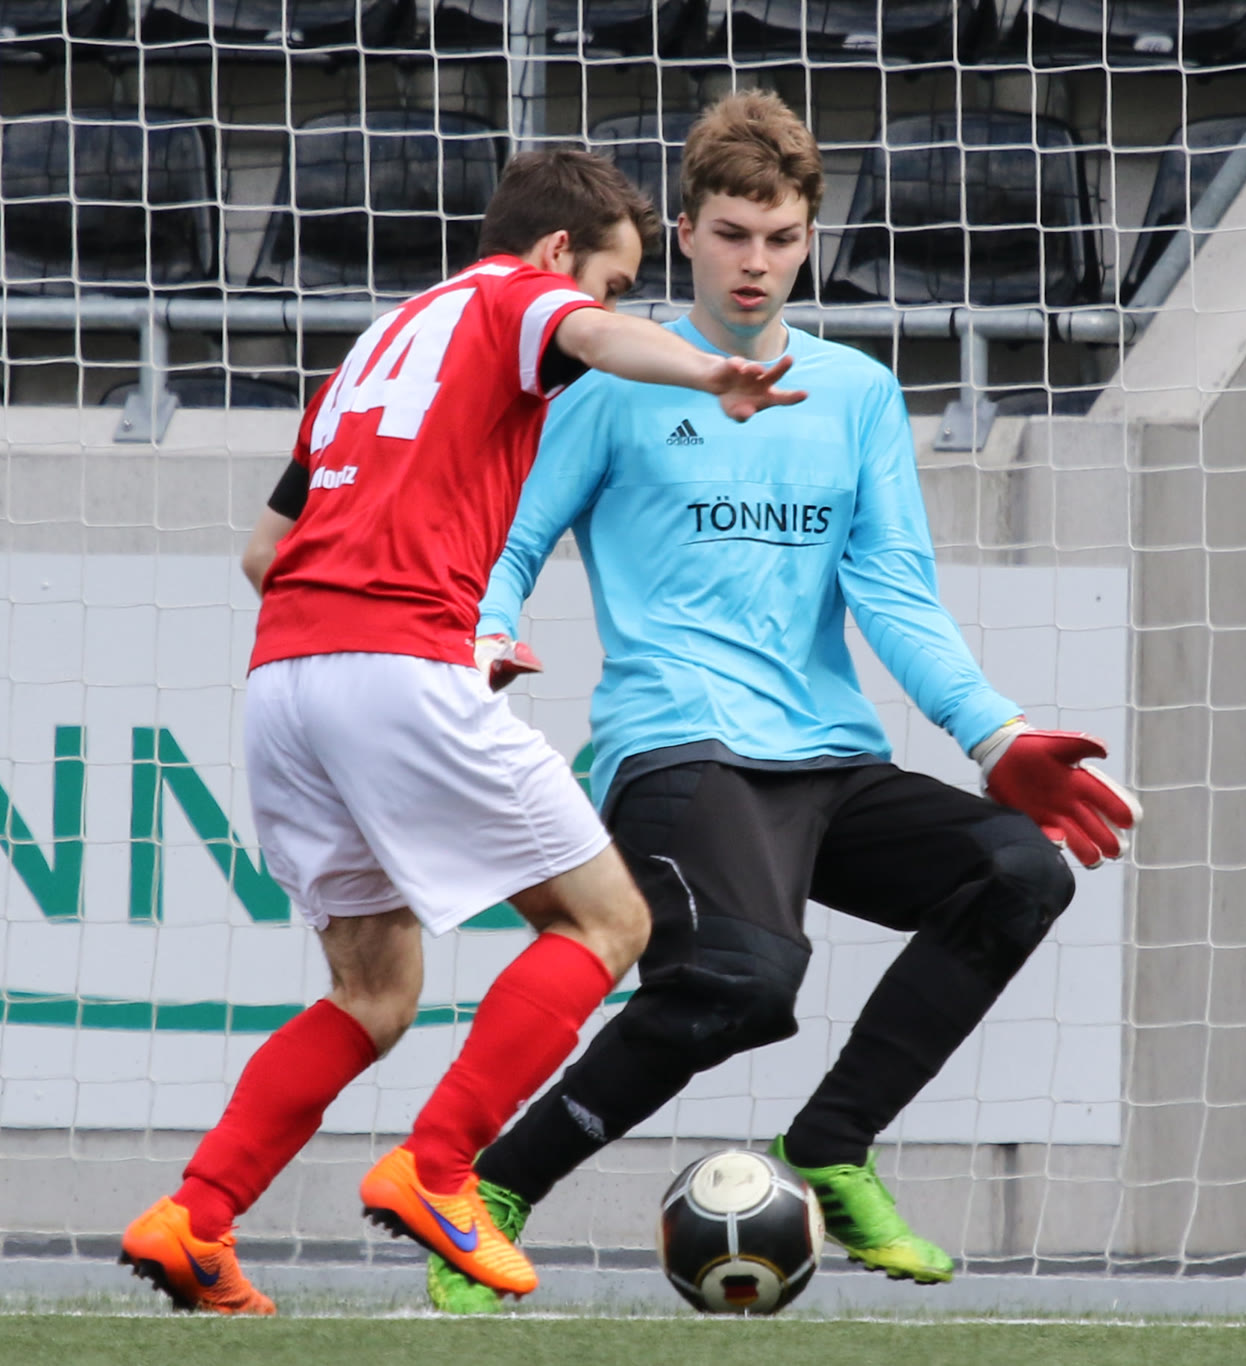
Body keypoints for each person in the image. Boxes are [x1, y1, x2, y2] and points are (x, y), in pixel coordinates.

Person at [424, 90, 1141, 1313]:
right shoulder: (610, 378)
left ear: (809, 238)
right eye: (730, 234)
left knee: (1020, 871)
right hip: (679, 750)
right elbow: (511, 540)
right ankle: (491, 1190)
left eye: (780, 237)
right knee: (742, 986)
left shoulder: (854, 392)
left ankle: (831, 1146)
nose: (754, 262)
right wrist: (483, 633)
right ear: (686, 234)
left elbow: (893, 593)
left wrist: (996, 734)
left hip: (825, 759)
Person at [115, 147, 806, 1316]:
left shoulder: (378, 343)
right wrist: (710, 373)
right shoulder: (515, 296)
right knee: (608, 919)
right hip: (395, 666)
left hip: (286, 679)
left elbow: (264, 553)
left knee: (372, 994)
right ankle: (440, 1169)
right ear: (556, 252)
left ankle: (196, 1213)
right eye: (612, 278)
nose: (610, 301)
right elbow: (586, 335)